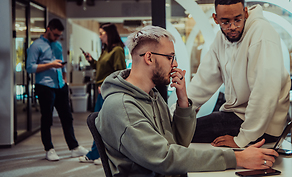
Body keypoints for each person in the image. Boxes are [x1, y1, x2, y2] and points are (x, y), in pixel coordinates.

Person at [95, 25, 278, 176]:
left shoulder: (152, 96)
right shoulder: (122, 107)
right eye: (170, 57)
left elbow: (178, 143)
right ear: (149, 58)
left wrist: (183, 100)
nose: (175, 65)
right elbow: (165, 158)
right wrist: (237, 158)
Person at [188, 0, 291, 148]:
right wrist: (180, 109)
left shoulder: (262, 33)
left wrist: (241, 139)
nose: (233, 27)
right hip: (237, 116)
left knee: (183, 133)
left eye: (238, 20)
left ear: (246, 13)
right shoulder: (221, 39)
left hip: (264, 127)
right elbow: (203, 81)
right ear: (216, 19)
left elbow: (265, 90)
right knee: (181, 129)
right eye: (226, 22)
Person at [26, 18, 88, 161]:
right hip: (45, 86)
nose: (56, 38)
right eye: (55, 35)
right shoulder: (36, 46)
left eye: (59, 35)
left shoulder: (58, 45)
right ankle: (49, 149)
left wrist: (65, 78)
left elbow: (61, 63)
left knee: (67, 117)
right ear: (48, 29)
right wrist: (50, 65)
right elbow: (30, 67)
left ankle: (74, 147)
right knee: (47, 119)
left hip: (60, 86)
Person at [79, 23, 126, 165]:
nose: (100, 36)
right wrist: (91, 61)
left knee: (102, 124)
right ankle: (97, 153)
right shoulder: (106, 50)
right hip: (102, 91)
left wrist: (108, 85)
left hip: (108, 92)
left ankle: (98, 154)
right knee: (99, 123)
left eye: (102, 33)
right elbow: (101, 68)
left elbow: (120, 72)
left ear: (109, 34)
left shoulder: (117, 50)